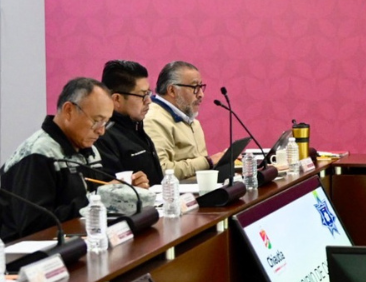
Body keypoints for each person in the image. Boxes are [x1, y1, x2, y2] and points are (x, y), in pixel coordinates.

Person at [0, 78, 115, 241]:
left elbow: (96, 195)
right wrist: (93, 201)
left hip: (83, 240)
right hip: (30, 251)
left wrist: (122, 192)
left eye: (106, 123)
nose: (101, 131)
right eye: (97, 121)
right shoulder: (38, 154)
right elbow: (34, 227)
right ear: (69, 110)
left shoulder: (90, 150)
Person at [143, 61, 225, 180]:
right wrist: (208, 161)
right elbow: (162, 170)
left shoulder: (192, 122)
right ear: (172, 90)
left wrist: (223, 161)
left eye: (201, 87)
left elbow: (201, 169)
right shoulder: (153, 119)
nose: (201, 94)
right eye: (195, 87)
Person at [94, 60, 161, 186]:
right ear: (117, 99)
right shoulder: (102, 136)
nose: (148, 101)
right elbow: (107, 190)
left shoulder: (136, 127)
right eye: (143, 95)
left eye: (149, 93)